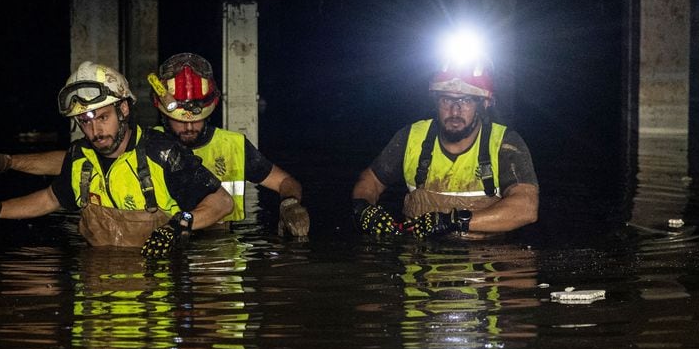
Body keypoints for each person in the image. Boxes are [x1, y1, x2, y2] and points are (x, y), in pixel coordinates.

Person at [0, 61, 232, 257]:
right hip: (96, 290)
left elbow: (222, 202)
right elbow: (51, 198)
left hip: (156, 294)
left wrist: (178, 225)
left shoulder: (162, 152)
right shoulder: (80, 157)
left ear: (123, 110)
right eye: (85, 122)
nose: (95, 131)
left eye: (102, 118)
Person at [351, 40, 538, 240]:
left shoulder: (503, 143)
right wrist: (363, 209)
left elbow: (526, 208)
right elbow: (370, 181)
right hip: (420, 257)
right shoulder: (412, 137)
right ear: (436, 100)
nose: (454, 110)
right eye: (446, 99)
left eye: (465, 100)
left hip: (486, 260)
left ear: (482, 104)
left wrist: (454, 221)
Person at [148, 53, 310, 237]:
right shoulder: (148, 145)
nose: (189, 127)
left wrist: (290, 204)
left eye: (198, 120)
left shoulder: (233, 146)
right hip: (165, 243)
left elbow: (285, 182)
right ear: (164, 115)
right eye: (179, 121)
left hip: (222, 244)